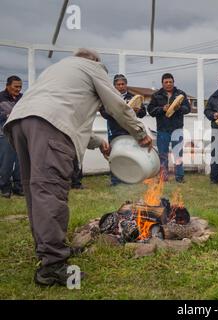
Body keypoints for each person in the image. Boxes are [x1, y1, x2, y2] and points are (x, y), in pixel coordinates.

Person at [3, 48, 152, 287]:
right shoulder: (93, 68)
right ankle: (52, 266)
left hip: (20, 124)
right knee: (51, 192)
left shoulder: (59, 69)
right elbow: (117, 105)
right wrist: (140, 133)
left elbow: (64, 115)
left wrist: (99, 142)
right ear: (95, 63)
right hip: (48, 124)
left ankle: (48, 249)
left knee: (37, 193)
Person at [100, 74, 146, 186]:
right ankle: (115, 180)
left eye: (122, 84)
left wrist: (137, 111)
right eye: (118, 84)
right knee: (114, 155)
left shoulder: (133, 97)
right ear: (114, 86)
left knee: (130, 155)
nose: (121, 86)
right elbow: (103, 112)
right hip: (114, 130)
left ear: (126, 84)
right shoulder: (109, 97)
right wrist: (116, 113)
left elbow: (143, 113)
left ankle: (130, 179)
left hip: (130, 131)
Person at [147, 73, 190, 183]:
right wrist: (162, 109)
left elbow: (188, 109)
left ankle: (179, 177)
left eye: (170, 82)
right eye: (166, 82)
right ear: (162, 83)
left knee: (178, 154)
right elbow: (151, 110)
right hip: (162, 130)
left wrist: (178, 108)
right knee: (163, 155)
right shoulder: (156, 95)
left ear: (173, 82)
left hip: (177, 129)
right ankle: (163, 177)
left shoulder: (181, 94)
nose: (168, 84)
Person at [0, 75, 24, 198]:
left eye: (20, 86)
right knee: (6, 163)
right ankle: (5, 187)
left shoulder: (23, 98)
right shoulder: (0, 97)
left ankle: (19, 187)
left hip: (20, 134)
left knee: (21, 162)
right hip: (5, 134)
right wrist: (7, 114)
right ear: (8, 85)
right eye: (16, 86)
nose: (18, 89)